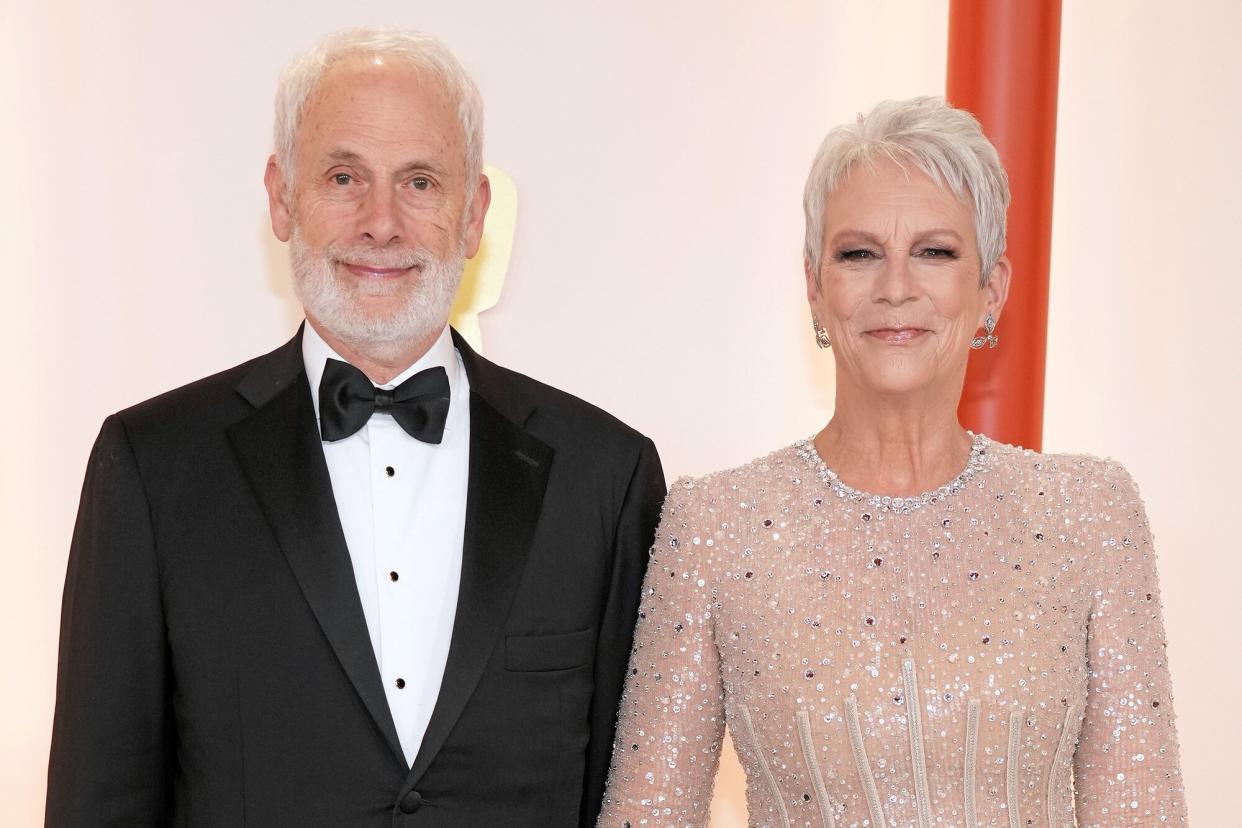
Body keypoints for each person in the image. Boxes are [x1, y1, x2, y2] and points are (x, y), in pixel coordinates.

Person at [46, 26, 664, 827]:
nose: (381, 223)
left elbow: (633, 801)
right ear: (281, 196)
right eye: (344, 176)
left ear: (472, 215)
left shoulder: (606, 477)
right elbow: (101, 800)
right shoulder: (153, 468)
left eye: (419, 182)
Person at [598, 97, 1186, 827]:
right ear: (815, 287)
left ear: (991, 290)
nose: (896, 287)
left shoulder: (1090, 512)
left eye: (935, 252)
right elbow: (647, 814)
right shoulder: (716, 525)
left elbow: (1142, 811)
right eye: (859, 253)